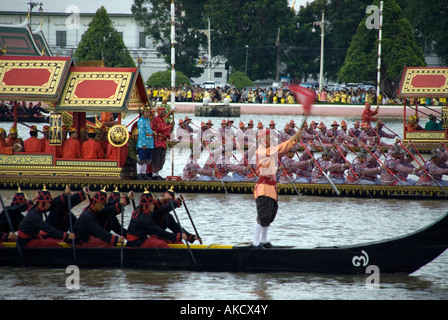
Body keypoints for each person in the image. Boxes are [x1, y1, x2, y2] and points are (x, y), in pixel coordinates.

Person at [251, 126, 303, 249]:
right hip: (263, 187)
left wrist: (297, 137)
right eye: (267, 138)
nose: (269, 140)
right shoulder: (262, 151)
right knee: (263, 215)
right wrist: (295, 137)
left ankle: (263, 241)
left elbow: (282, 149)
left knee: (270, 215)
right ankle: (255, 242)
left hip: (271, 188)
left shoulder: (269, 150)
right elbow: (281, 148)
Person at [126, 191, 200, 248]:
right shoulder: (149, 215)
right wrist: (177, 202)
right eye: (151, 204)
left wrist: (191, 237)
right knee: (163, 244)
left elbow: (176, 227)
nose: (153, 206)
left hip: (158, 236)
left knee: (179, 242)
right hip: (140, 240)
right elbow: (159, 231)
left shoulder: (167, 216)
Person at [151, 106, 172, 180]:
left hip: (163, 142)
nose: (165, 113)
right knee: (156, 158)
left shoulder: (162, 120)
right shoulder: (157, 119)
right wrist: (170, 126)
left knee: (161, 159)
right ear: (160, 112)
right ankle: (154, 174)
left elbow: (165, 131)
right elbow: (160, 129)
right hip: (158, 142)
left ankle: (157, 174)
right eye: (164, 111)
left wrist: (170, 136)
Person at [136, 106, 154, 180]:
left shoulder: (148, 120)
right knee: (141, 159)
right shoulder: (141, 121)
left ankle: (144, 173)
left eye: (148, 112)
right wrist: (143, 143)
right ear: (143, 113)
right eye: (146, 112)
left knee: (147, 159)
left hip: (150, 142)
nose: (147, 113)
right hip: (143, 142)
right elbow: (141, 133)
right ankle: (139, 174)